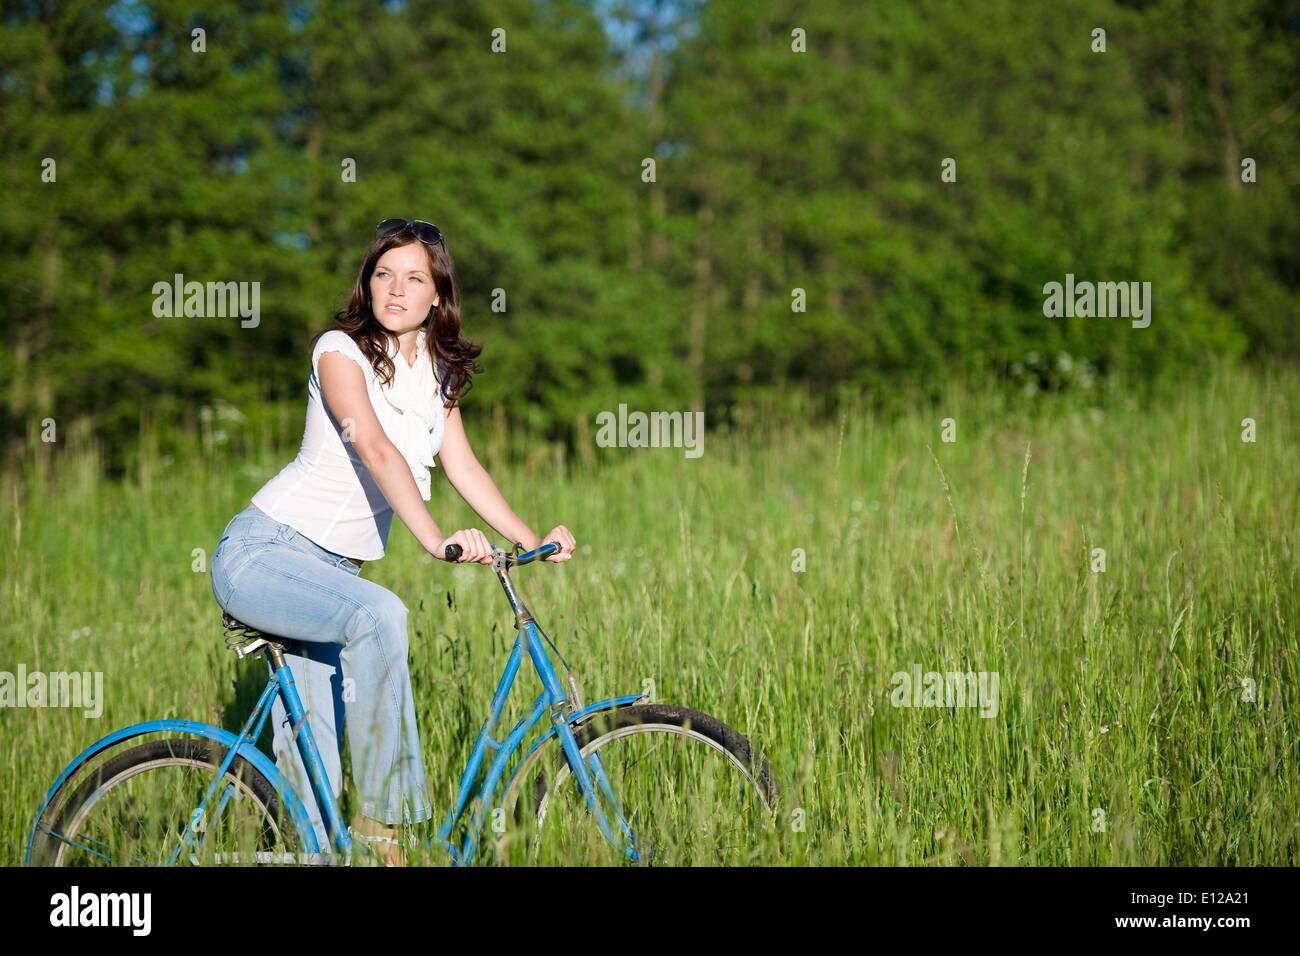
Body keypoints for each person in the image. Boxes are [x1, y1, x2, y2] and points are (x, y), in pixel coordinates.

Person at [209, 218, 576, 865]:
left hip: (329, 576)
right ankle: (388, 827)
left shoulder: (437, 375)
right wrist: (435, 541)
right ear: (367, 283)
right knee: (381, 613)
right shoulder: (337, 351)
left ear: (439, 294)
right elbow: (374, 448)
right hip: (265, 555)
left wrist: (530, 537)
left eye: (414, 278)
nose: (396, 289)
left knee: (315, 786)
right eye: (384, 274)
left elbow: (462, 467)